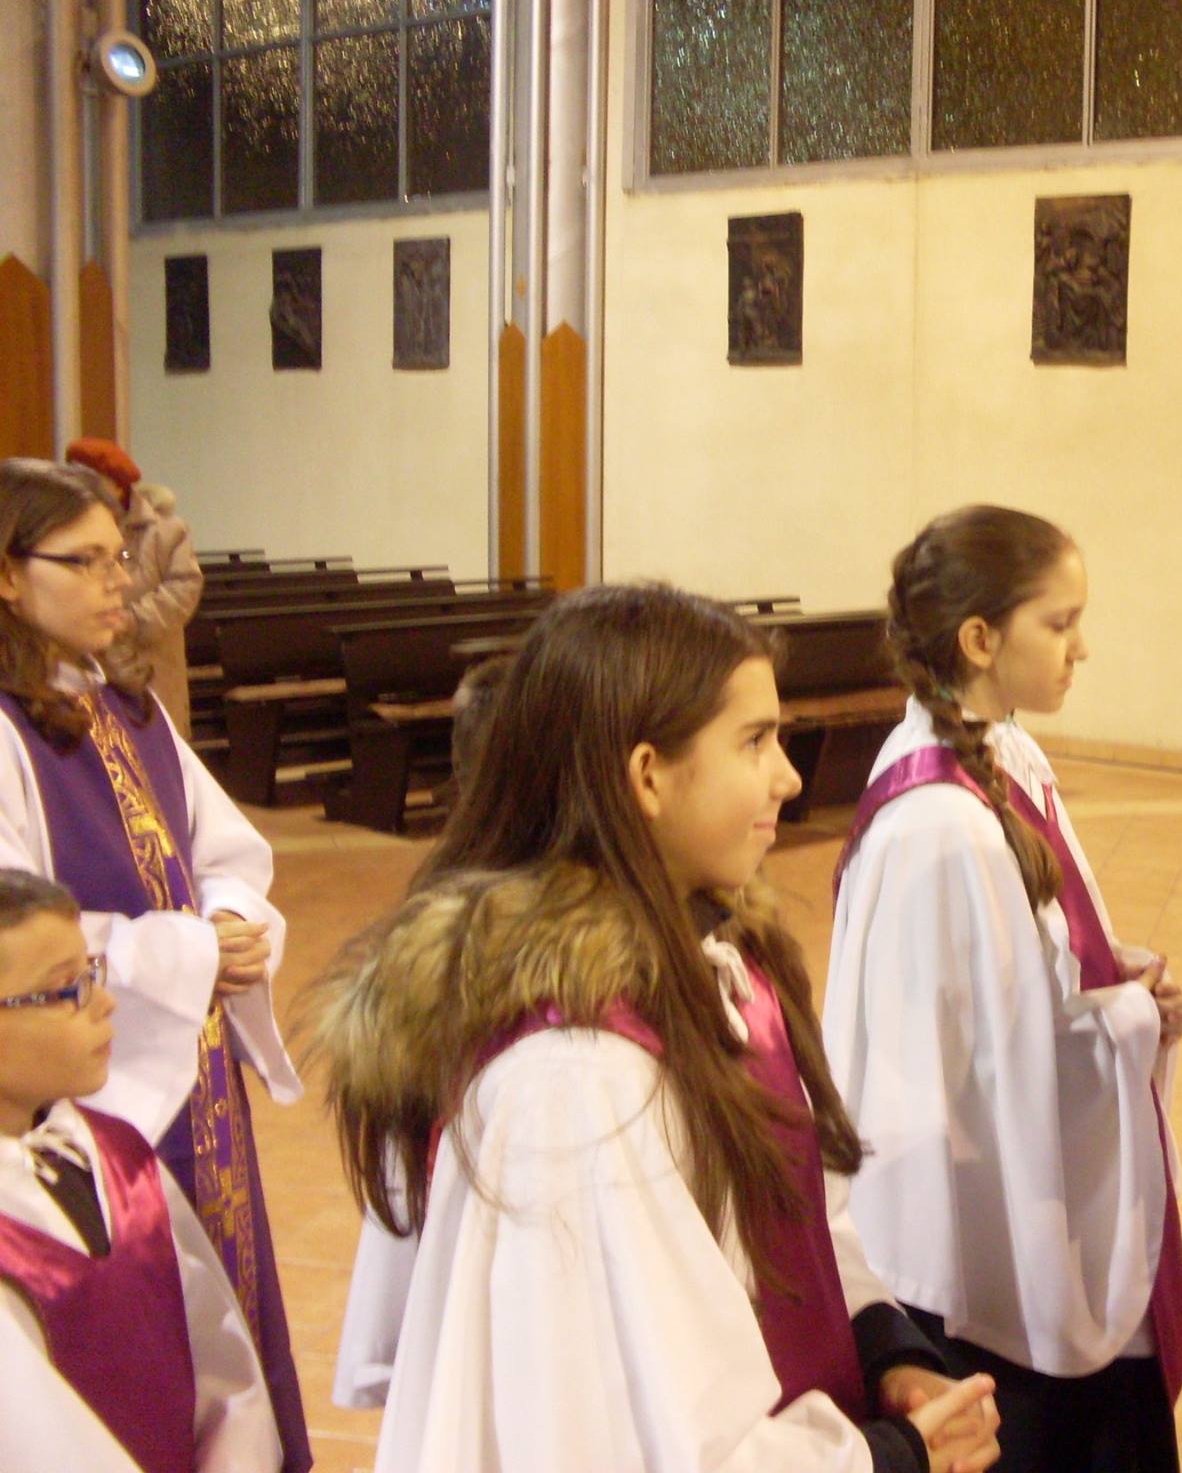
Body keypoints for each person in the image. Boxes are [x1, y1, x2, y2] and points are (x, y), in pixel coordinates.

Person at [306, 583, 1002, 1473]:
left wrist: (881, 1349)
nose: (789, 776)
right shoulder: (579, 1078)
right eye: (754, 741)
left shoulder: (722, 968)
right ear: (647, 777)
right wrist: (894, 1457)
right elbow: (657, 1431)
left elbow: (789, 1224)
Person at [825, 505, 1182, 1473]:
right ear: (980, 639)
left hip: (985, 1170)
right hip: (966, 1225)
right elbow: (996, 1058)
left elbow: (1022, 966)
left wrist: (1119, 974)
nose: (1082, 648)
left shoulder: (1001, 752)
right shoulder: (940, 825)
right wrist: (1128, 1018)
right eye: (1060, 623)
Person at [0, 459, 310, 1470]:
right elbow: (12, 934)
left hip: (194, 1066)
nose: (119, 582)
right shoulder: (5, 731)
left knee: (220, 1318)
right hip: (95, 1082)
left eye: (119, 557)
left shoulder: (126, 708)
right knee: (132, 1334)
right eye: (86, 562)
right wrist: (187, 950)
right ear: (8, 575)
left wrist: (231, 920)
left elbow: (225, 849)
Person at [0, 869, 282, 1473]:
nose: (105, 1002)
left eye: (92, 973)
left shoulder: (119, 1159)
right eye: (66, 989)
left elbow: (224, 1374)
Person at [64, 438, 203, 739]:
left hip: (151, 662)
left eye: (89, 482)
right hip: (91, 663)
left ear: (117, 486)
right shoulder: (70, 530)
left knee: (155, 743)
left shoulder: (166, 531)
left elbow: (184, 589)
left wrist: (131, 620)